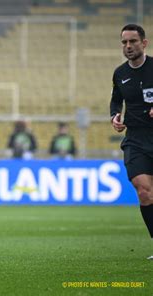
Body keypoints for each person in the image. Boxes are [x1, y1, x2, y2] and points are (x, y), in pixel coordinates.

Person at [110, 24, 153, 260]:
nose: (128, 46)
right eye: (124, 42)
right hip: (135, 139)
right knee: (144, 191)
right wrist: (114, 116)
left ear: (144, 43)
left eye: (133, 41)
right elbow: (115, 100)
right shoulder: (120, 73)